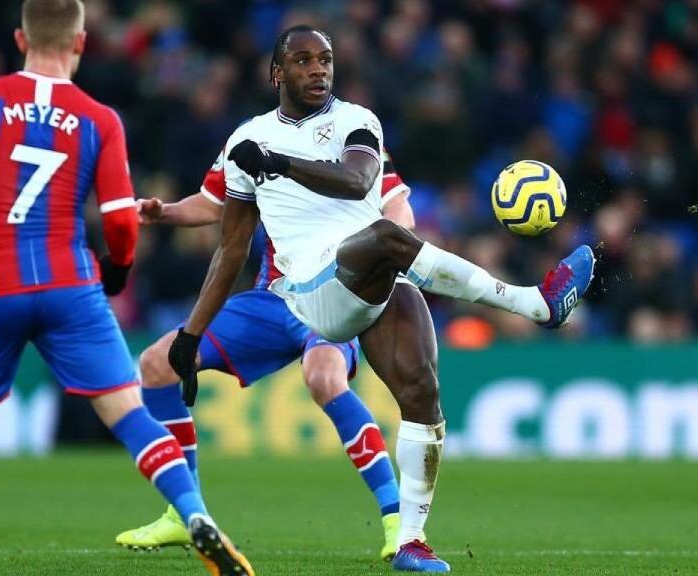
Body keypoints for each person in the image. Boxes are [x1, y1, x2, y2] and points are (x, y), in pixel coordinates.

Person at [167, 25, 596, 573]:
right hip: (309, 291)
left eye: (325, 59)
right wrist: (192, 334)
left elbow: (357, 178)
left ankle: (411, 541)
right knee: (388, 240)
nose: (318, 69)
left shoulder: (356, 121)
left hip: (370, 271)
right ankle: (537, 304)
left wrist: (280, 163)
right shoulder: (244, 141)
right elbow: (230, 250)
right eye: (303, 60)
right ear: (277, 72)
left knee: (422, 392)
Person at [0, 2, 253, 575]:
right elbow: (121, 218)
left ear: (19, 39)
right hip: (70, 283)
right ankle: (195, 513)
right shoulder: (99, 118)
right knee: (128, 411)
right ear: (80, 43)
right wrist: (119, 268)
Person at [115, 147, 437, 563]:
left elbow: (400, 212)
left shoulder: (355, 137)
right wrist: (164, 213)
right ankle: (184, 512)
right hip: (273, 297)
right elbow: (213, 203)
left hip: (332, 294)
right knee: (157, 364)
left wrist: (377, 255)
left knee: (324, 377)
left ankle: (396, 520)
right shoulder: (253, 140)